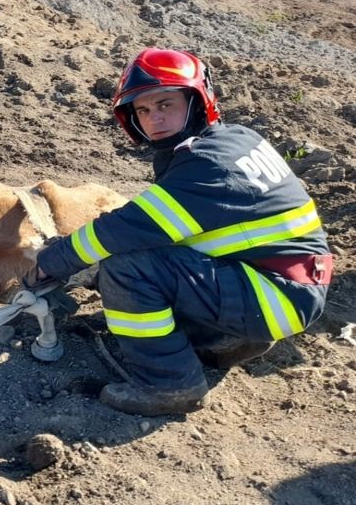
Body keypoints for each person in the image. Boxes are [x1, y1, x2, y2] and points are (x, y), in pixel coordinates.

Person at [26, 48, 331, 416]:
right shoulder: (233, 140)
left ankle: (169, 385)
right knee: (151, 261)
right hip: (285, 285)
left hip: (276, 296)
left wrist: (51, 262)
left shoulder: (206, 165)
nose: (155, 118)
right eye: (143, 110)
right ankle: (224, 340)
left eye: (165, 104)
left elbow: (124, 230)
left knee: (128, 268)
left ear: (197, 102)